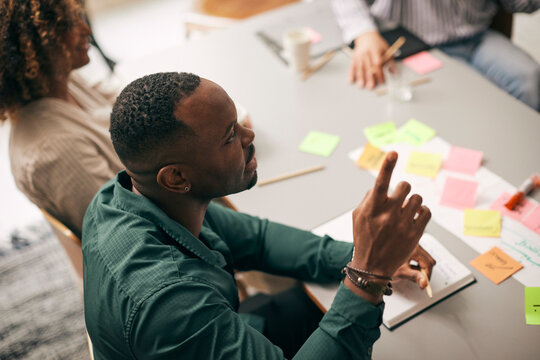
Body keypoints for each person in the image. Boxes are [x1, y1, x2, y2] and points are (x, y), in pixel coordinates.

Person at [83, 71, 435, 359]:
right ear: (176, 177)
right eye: (229, 136)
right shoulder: (170, 305)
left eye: (237, 122)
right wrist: (367, 275)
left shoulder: (126, 196)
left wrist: (363, 254)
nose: (249, 135)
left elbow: (258, 238)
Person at [0, 0, 123, 238]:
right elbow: (128, 231)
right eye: (69, 23)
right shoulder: (57, 150)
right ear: (34, 44)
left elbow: (114, 99)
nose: (86, 29)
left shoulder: (59, 83)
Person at [331, 0, 540, 111]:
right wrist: (364, 32)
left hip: (478, 35)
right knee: (467, 102)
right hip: (422, 45)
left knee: (530, 79)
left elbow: (523, 4)